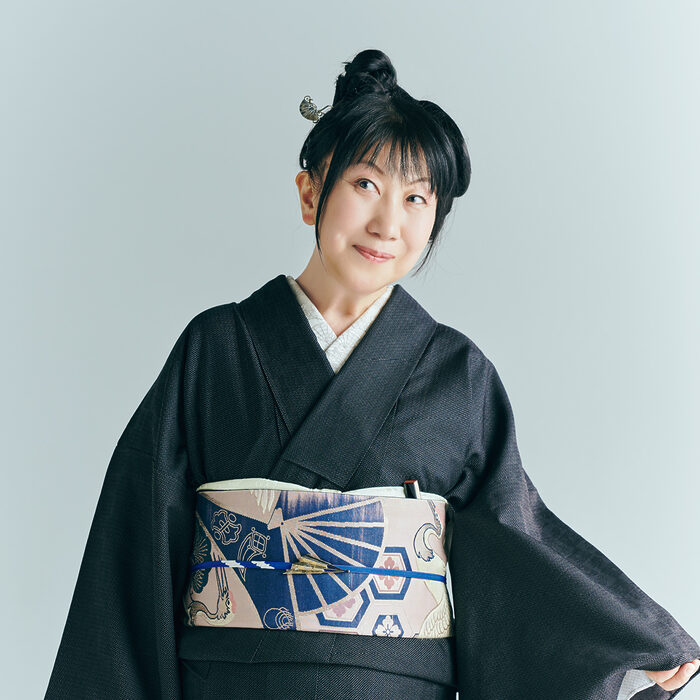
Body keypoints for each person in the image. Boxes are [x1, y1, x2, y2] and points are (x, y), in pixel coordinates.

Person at [45, 48, 699, 700]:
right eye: (365, 185)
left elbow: (515, 541)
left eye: (416, 198)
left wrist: (631, 640)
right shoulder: (215, 349)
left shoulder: (458, 375)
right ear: (311, 192)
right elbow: (134, 546)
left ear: (435, 221)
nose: (388, 223)